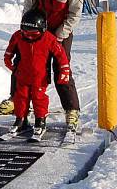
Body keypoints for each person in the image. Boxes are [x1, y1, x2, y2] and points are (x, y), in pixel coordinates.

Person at [0, 0, 85, 131]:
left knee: (61, 67)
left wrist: (59, 36)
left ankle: (71, 108)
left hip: (61, 30)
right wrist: (25, 29)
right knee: (23, 63)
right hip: (35, 29)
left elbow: (74, 14)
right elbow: (29, 4)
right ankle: (16, 99)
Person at [4, 9, 71, 138]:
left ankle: (40, 121)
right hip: (23, 75)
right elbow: (10, 50)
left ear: (42, 29)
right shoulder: (18, 36)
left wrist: (64, 70)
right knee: (20, 97)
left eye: (33, 34)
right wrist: (8, 60)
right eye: (26, 32)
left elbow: (61, 55)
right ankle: (21, 120)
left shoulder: (49, 39)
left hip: (40, 77)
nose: (29, 36)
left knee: (38, 97)